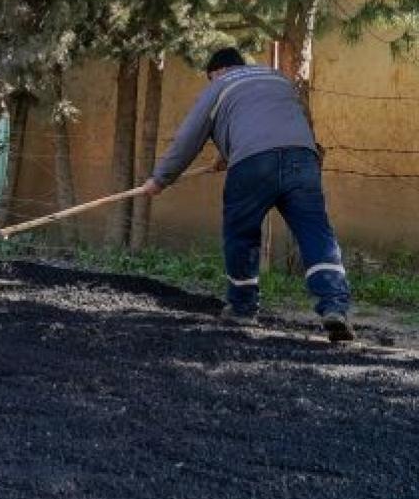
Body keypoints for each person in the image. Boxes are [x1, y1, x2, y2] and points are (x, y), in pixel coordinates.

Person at [143, 46, 354, 342]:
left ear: (216, 72)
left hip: (253, 165)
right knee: (316, 233)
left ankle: (243, 307)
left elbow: (190, 136)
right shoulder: (278, 79)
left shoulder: (219, 85)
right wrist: (230, 152)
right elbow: (273, 121)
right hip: (302, 159)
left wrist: (160, 179)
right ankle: (335, 306)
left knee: (241, 232)